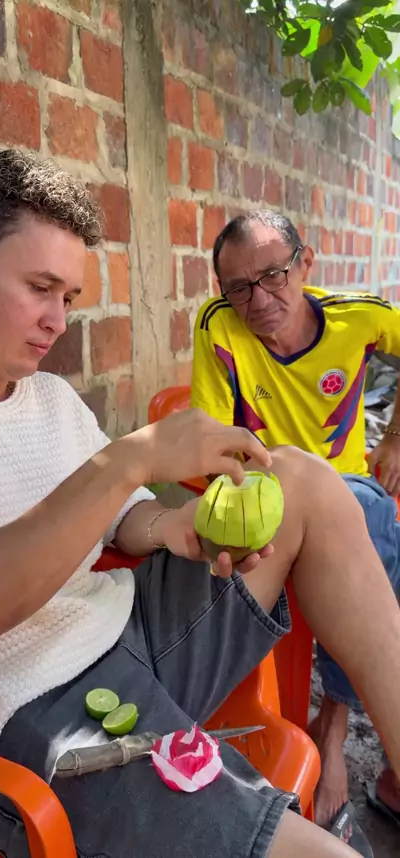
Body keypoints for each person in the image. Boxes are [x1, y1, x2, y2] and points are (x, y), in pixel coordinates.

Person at [0, 152, 399, 858]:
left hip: (126, 630)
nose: (57, 321)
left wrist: (176, 524)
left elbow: (125, 516)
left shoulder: (49, 397)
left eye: (68, 298)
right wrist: (128, 459)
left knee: (303, 477)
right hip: (29, 713)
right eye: (40, 288)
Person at [190, 209, 400, 844]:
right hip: (268, 490)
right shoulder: (219, 326)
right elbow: (205, 437)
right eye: (239, 287)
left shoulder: (359, 317)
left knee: (366, 513)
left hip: (348, 491)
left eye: (274, 275)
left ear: (305, 264)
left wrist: (395, 438)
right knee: (377, 525)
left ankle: (331, 727)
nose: (258, 299)